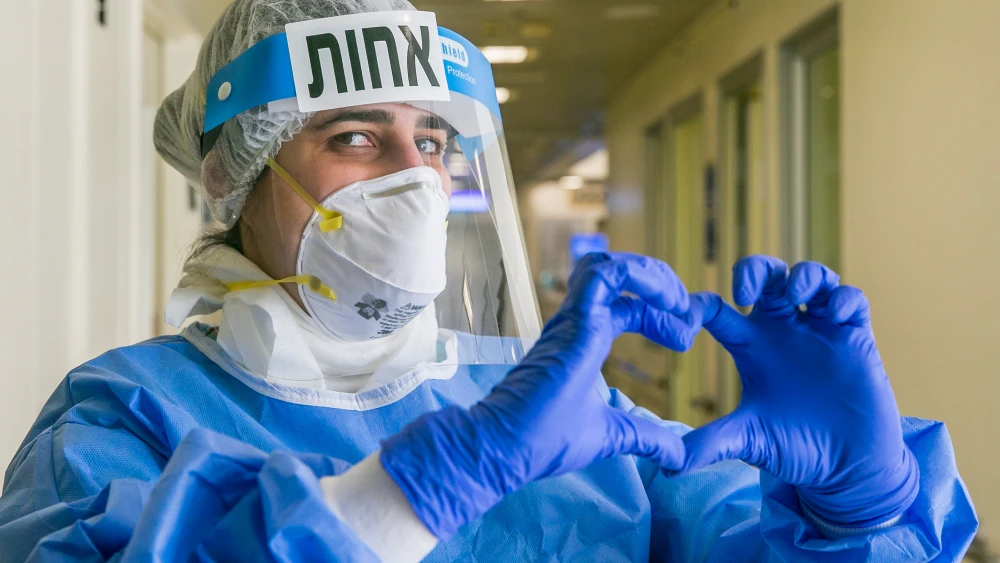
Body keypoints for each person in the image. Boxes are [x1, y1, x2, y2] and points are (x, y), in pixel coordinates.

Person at [0, 1, 977, 561]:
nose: (415, 178)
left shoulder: (550, 405)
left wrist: (856, 515)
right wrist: (417, 487)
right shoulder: (121, 421)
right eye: (353, 137)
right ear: (234, 176)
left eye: (430, 139)